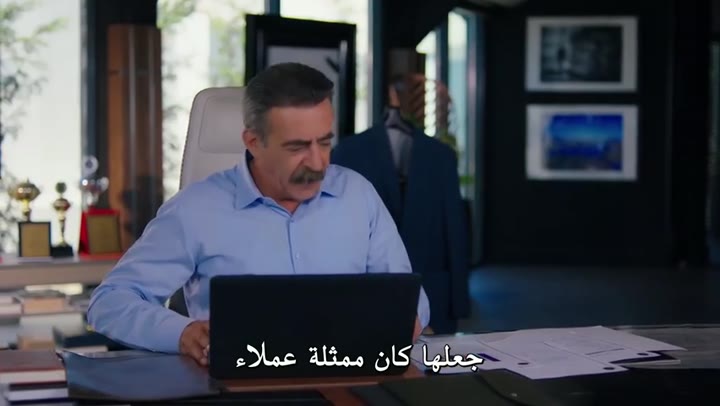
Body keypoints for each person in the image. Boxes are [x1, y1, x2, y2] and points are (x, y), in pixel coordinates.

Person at [86, 62, 431, 367]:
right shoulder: (195, 210)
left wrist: (409, 318)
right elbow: (110, 302)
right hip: (240, 388)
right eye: (297, 147)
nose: (317, 162)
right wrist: (182, 333)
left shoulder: (358, 196)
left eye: (324, 142)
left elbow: (407, 294)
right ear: (253, 142)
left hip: (350, 381)